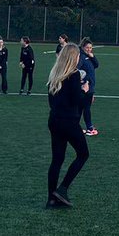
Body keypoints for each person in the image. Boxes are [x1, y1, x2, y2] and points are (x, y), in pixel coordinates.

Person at [46, 42, 90, 208]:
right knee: (83, 154)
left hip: (55, 120)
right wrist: (84, 90)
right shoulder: (74, 75)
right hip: (69, 122)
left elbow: (51, 101)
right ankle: (62, 189)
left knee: (57, 160)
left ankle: (51, 198)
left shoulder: (54, 74)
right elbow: (77, 102)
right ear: (74, 57)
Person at [79, 39, 99, 135]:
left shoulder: (88, 56)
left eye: (90, 48)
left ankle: (84, 126)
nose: (89, 49)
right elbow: (77, 69)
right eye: (87, 47)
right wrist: (83, 81)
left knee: (85, 107)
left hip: (90, 87)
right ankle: (89, 128)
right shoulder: (81, 57)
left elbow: (96, 65)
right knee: (83, 108)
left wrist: (93, 57)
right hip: (84, 87)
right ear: (83, 47)